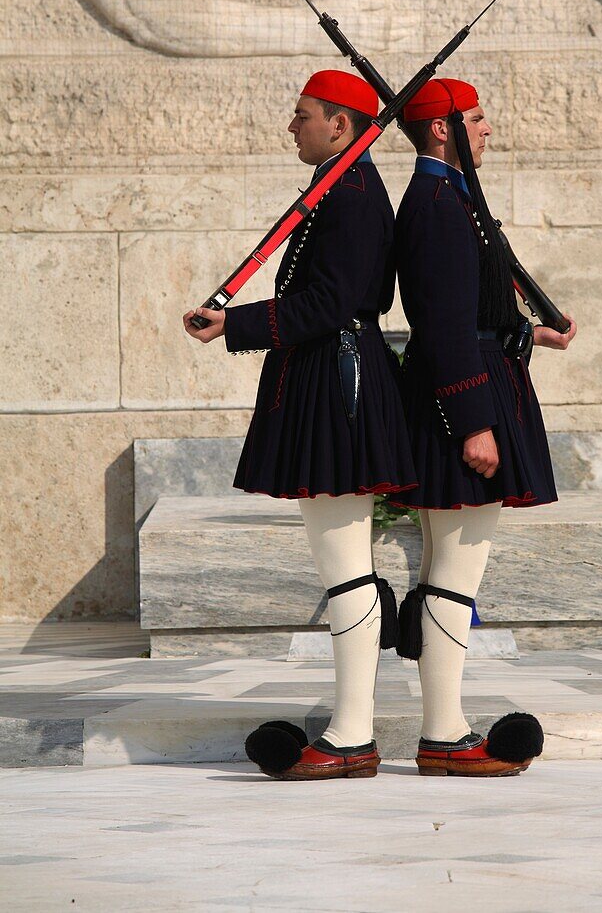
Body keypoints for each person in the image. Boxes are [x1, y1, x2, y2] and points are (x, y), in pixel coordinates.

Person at [183, 69, 418, 780]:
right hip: (325, 377)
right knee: (342, 566)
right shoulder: (337, 191)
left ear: (339, 125)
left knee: (346, 569)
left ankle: (350, 736)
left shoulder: (349, 196)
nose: (292, 127)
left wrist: (238, 322)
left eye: (302, 116)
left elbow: (330, 302)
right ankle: (351, 730)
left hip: (337, 381)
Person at [392, 77, 577, 776]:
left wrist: (527, 332)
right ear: (441, 130)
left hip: (474, 379)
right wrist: (474, 422)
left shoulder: (451, 199)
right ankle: (443, 734)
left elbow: (471, 308)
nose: (488, 128)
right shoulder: (438, 205)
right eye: (476, 118)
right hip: (463, 397)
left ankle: (443, 728)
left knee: (451, 569)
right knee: (456, 573)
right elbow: (439, 326)